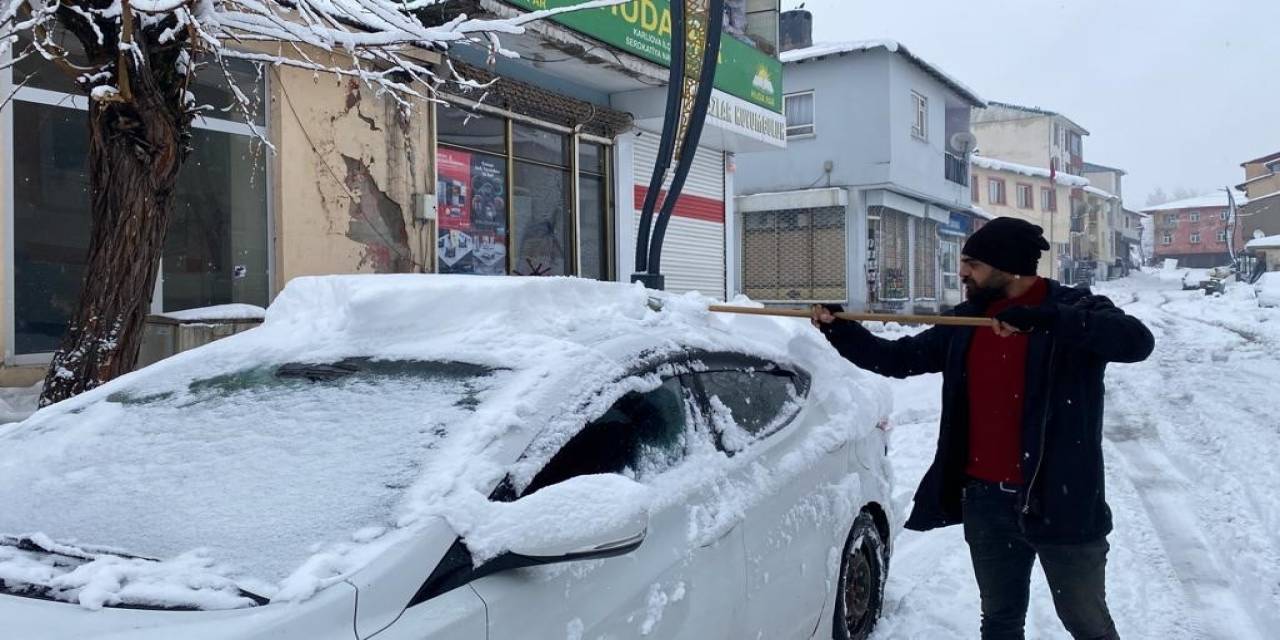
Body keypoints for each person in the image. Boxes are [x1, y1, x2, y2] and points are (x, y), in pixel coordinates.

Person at [811, 217, 1154, 640]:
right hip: (987, 502)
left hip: (1064, 501)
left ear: (1007, 266)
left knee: (1088, 625)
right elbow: (898, 359)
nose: (963, 272)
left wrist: (1046, 319)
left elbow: (1137, 342)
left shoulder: (1076, 309)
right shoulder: (967, 322)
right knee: (1000, 622)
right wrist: (841, 330)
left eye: (972, 263)